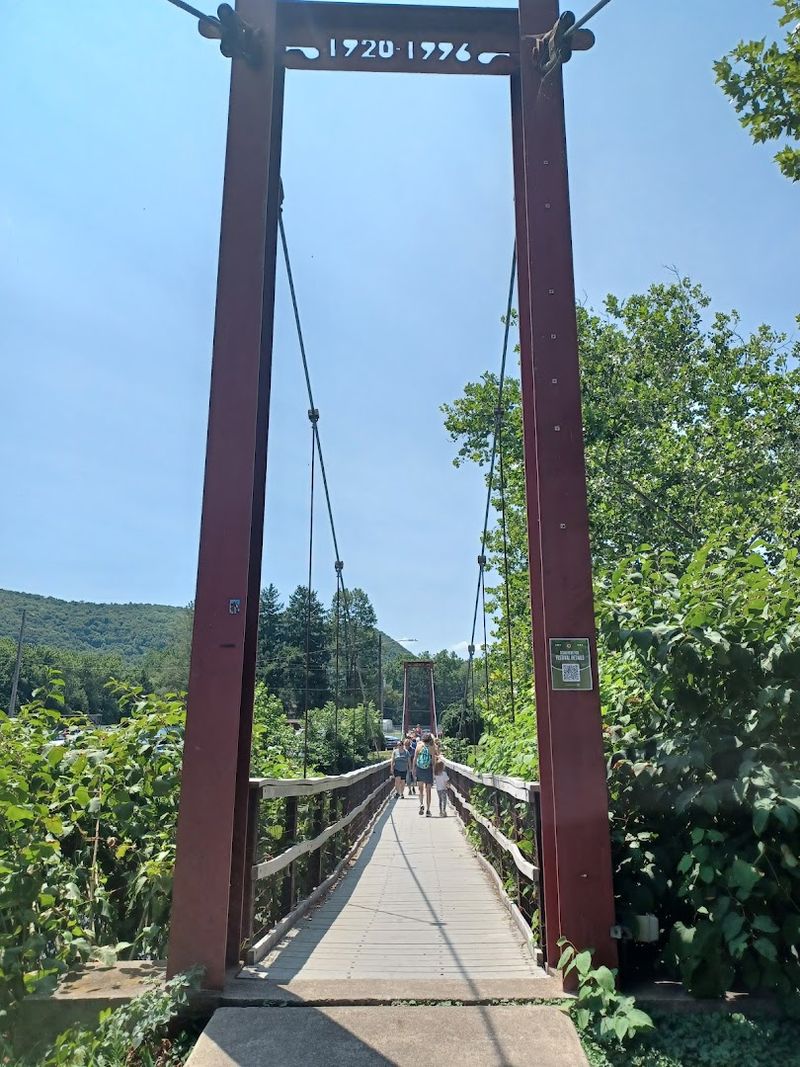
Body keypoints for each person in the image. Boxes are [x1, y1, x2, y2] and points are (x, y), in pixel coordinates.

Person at [413, 732, 436, 817]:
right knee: (428, 790)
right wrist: (433, 773)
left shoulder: (418, 746)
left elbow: (415, 759)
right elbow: (433, 761)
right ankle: (428, 810)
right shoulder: (432, 748)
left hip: (419, 769)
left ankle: (421, 804)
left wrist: (413, 769)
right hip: (428, 769)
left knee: (420, 789)